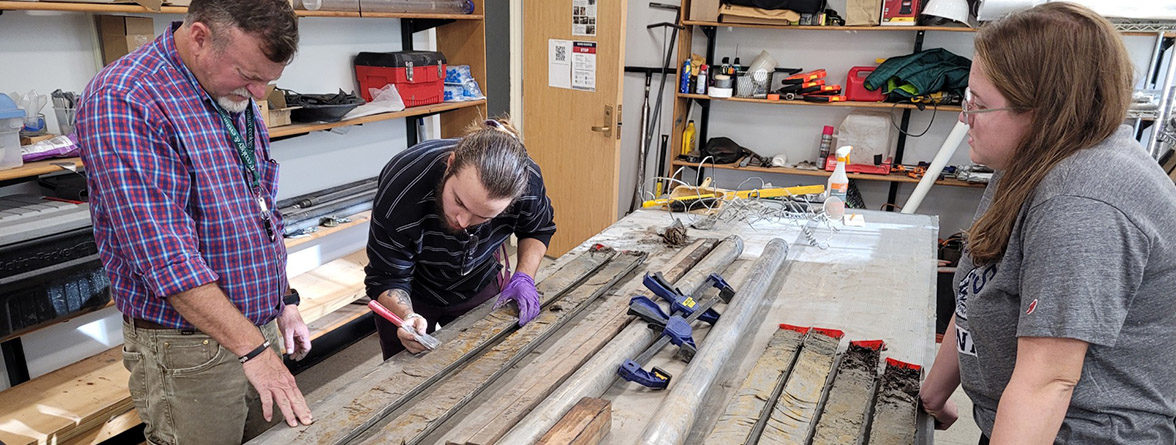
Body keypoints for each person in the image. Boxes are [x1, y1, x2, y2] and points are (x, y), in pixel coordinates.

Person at [919, 3, 1176, 443]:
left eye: (978, 105)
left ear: (1043, 111)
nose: (964, 119)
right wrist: (934, 394)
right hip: (1017, 419)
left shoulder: (1083, 204)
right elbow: (978, 288)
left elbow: (1048, 382)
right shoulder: (1031, 156)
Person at [75, 1, 314, 442]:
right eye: (250, 76)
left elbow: (259, 209)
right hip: (190, 348)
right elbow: (166, 257)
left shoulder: (230, 91)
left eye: (269, 80)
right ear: (200, 37)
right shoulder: (125, 99)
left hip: (256, 331)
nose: (260, 94)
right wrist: (254, 349)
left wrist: (285, 300)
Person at [365, 118, 556, 359]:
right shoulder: (404, 184)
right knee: (404, 371)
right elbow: (386, 275)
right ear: (450, 164)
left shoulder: (528, 184)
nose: (463, 222)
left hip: (479, 279)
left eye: (483, 216)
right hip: (413, 288)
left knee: (485, 362)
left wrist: (524, 277)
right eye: (459, 202)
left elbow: (537, 229)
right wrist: (406, 316)